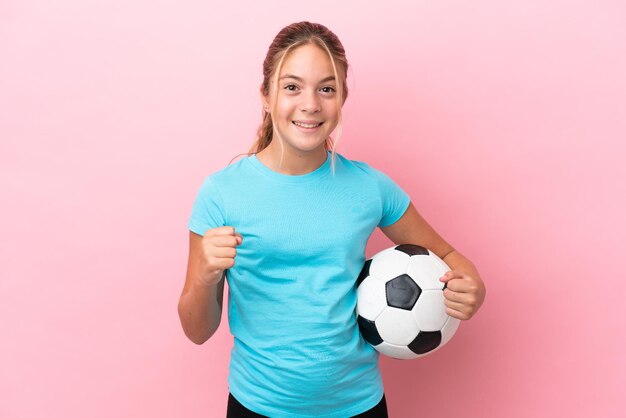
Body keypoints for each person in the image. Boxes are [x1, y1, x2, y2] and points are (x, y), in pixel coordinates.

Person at [178, 21, 486, 418]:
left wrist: (471, 284)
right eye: (292, 87)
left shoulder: (368, 186)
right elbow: (196, 330)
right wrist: (205, 275)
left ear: (342, 97)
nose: (310, 104)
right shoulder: (221, 194)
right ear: (266, 96)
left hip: (358, 407)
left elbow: (449, 257)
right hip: (257, 406)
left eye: (326, 88)